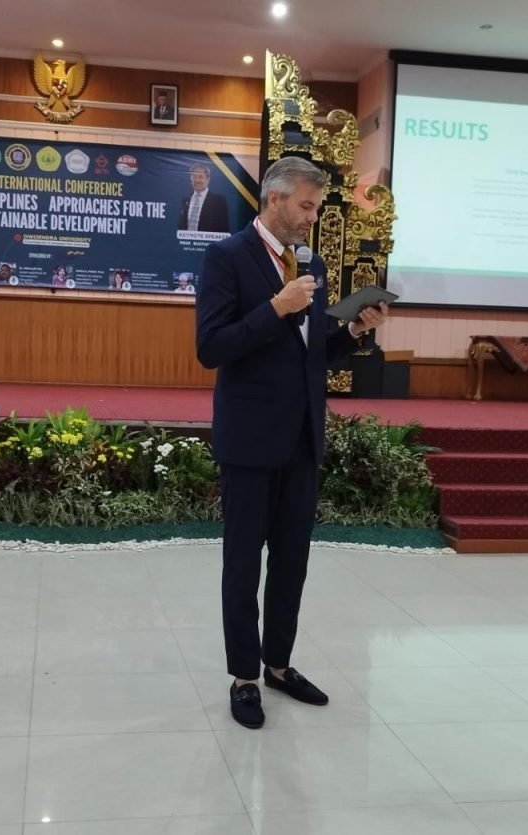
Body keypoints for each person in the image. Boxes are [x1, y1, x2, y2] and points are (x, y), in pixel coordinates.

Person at [195, 156, 388, 730]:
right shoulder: (227, 257)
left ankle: (278, 665)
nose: (311, 218)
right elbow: (212, 347)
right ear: (274, 199)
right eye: (305, 206)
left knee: (292, 563)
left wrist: (353, 331)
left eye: (317, 208)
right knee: (242, 565)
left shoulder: (312, 263)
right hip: (250, 439)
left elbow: (310, 353)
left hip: (302, 438)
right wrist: (275, 309)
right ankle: (244, 677)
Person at [178, 164, 230, 233]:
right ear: (190, 179)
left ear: (208, 179)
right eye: (194, 177)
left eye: (201, 177)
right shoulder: (186, 199)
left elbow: (223, 229)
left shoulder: (219, 201)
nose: (197, 180)